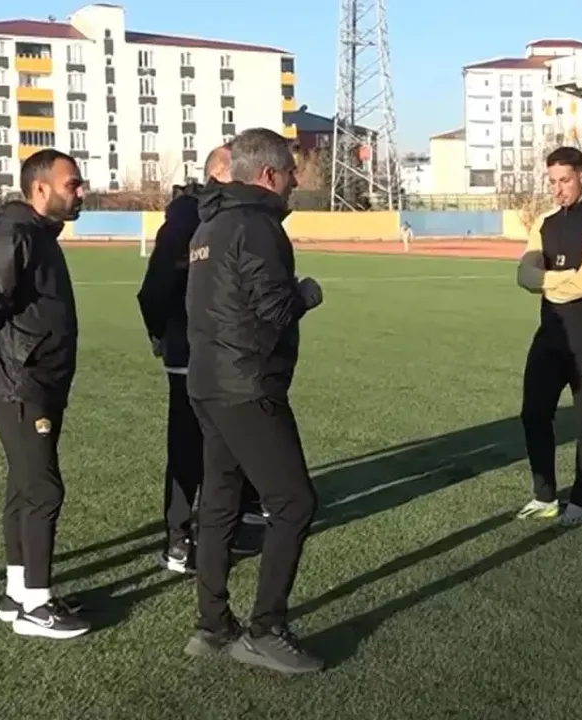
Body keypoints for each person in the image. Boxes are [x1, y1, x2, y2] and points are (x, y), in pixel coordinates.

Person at [185, 128, 324, 674]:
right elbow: (275, 310)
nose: (295, 182)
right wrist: (307, 293)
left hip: (208, 381)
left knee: (219, 502)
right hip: (247, 385)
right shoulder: (257, 226)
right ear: (268, 175)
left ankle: (212, 625)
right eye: (290, 172)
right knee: (293, 503)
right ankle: (266, 630)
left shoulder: (209, 224)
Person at [136, 143, 266, 574]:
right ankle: (179, 537)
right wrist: (162, 333)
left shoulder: (241, 213)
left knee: (235, 438)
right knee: (189, 443)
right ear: (222, 172)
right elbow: (157, 286)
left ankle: (238, 519)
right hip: (192, 351)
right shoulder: (187, 217)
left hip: (232, 351)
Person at [0, 149, 87, 638]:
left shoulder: (34, 232)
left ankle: (17, 593)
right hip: (22, 384)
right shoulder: (17, 233)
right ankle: (37, 604)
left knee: (24, 486)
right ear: (41, 188)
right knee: (44, 490)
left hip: (31, 382)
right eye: (73, 184)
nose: (81, 192)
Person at [515, 147, 582, 527]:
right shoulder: (544, 222)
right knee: (533, 414)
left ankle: (580, 500)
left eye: (565, 180)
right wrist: (564, 280)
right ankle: (544, 497)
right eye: (553, 181)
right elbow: (524, 275)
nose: (558, 189)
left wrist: (547, 281)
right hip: (551, 335)